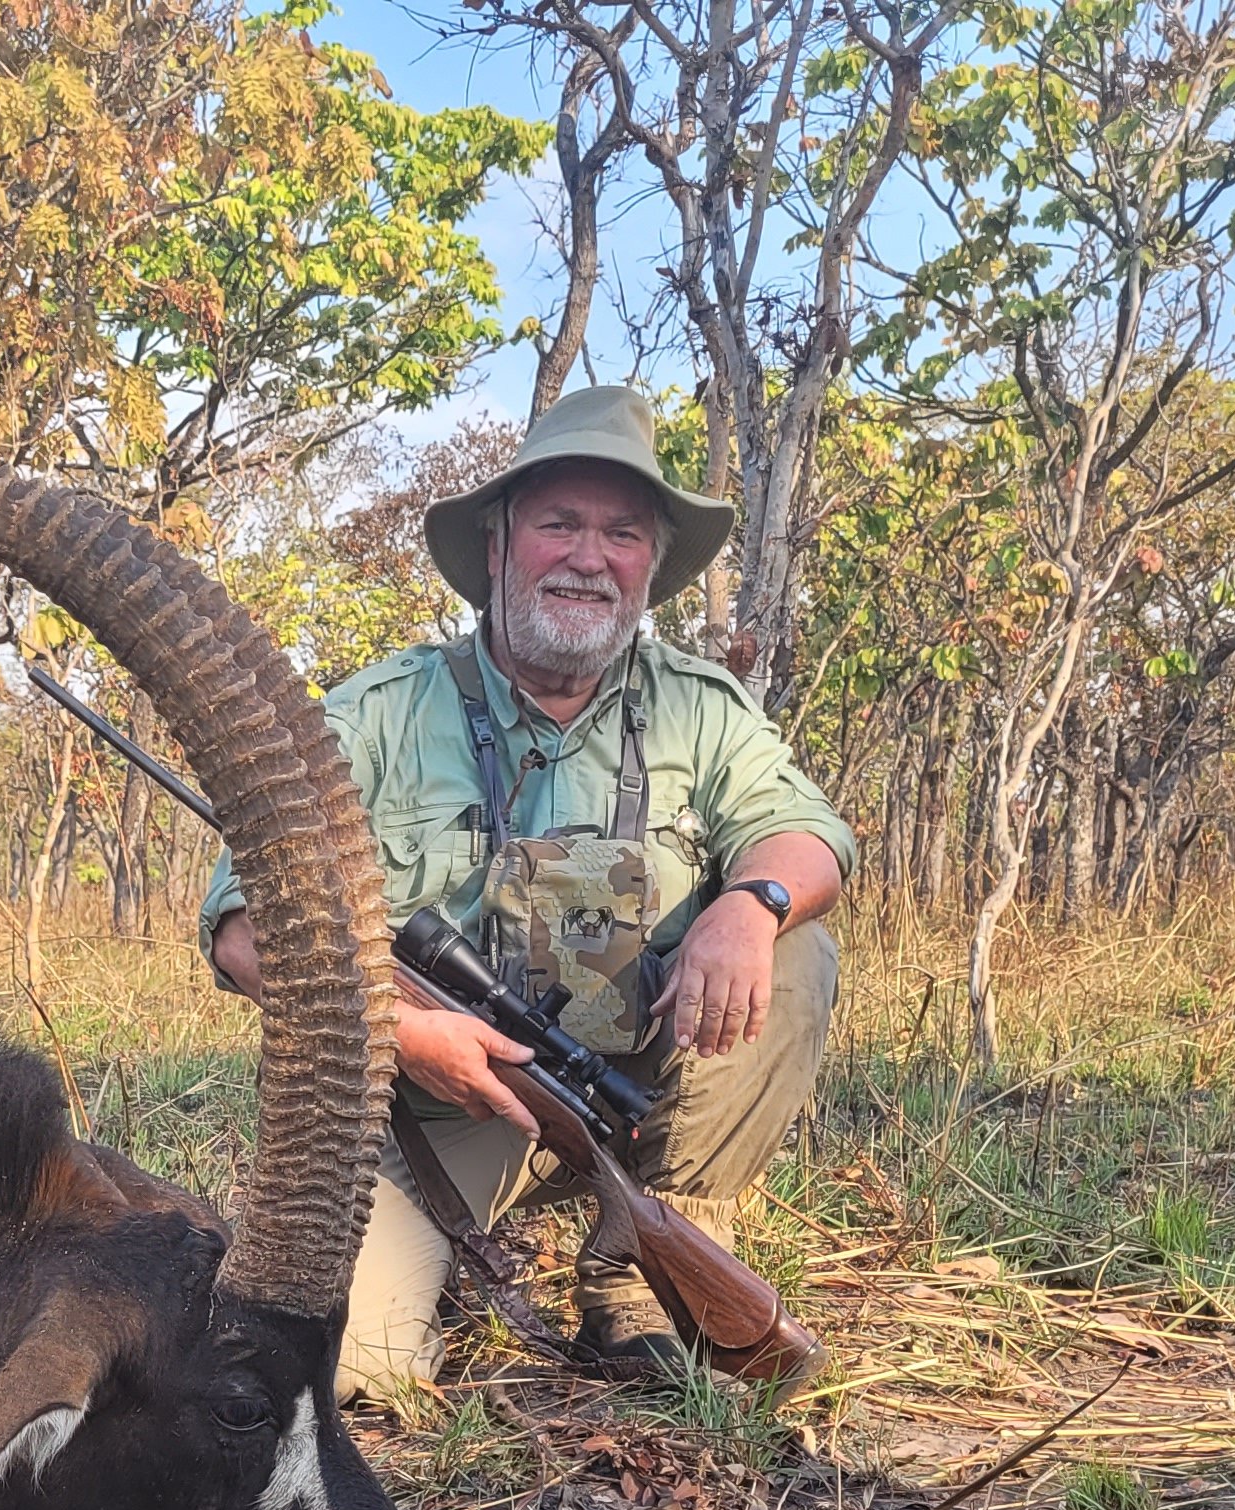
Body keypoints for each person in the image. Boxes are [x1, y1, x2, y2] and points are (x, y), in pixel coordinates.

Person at [200, 385, 854, 1390]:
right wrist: (405, 1030)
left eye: (621, 534)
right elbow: (244, 930)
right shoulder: (373, 714)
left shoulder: (698, 709)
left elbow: (807, 835)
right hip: (442, 1108)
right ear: (500, 547)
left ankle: (646, 1257)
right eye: (559, 524)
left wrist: (747, 906)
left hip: (642, 1095)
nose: (589, 556)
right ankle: (463, 1253)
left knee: (794, 939)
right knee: (349, 1369)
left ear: (649, 566)